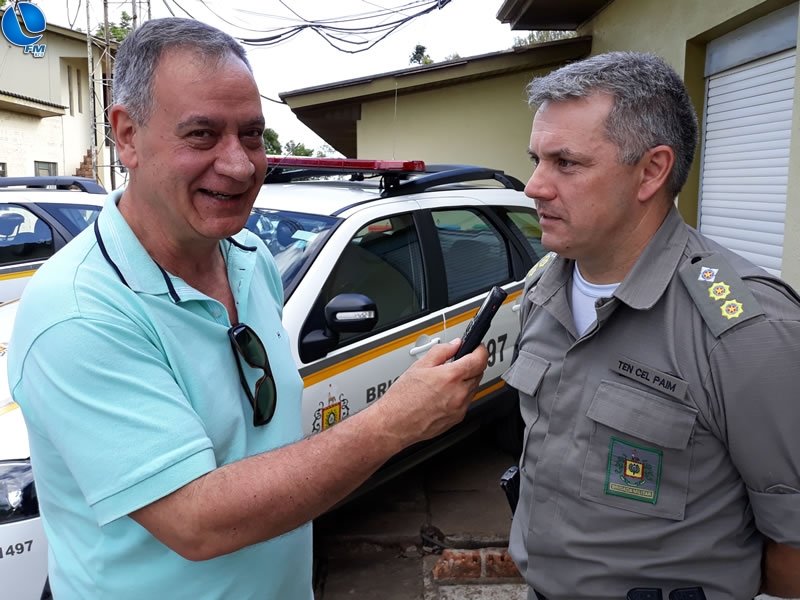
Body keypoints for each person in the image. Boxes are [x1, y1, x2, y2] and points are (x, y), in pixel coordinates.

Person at [7, 18, 488, 600]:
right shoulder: (79, 313)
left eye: (253, 135)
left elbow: (260, 441)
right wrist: (391, 424)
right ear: (126, 135)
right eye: (203, 135)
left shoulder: (250, 256)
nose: (240, 165)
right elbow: (197, 521)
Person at [502, 51, 800, 600]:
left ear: (651, 171)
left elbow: (793, 549)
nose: (534, 186)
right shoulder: (543, 289)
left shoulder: (746, 328)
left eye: (565, 163)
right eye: (536, 159)